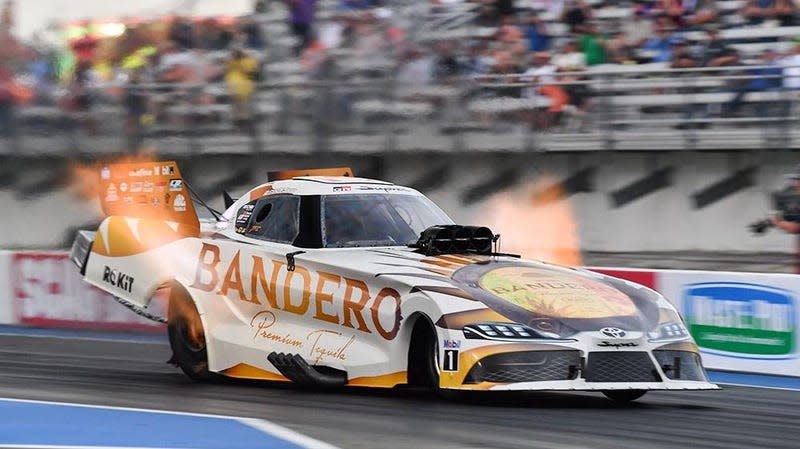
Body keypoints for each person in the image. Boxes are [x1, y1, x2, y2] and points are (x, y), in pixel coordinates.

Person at [225, 48, 259, 129]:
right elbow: (227, 70)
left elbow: (253, 72)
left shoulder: (248, 61)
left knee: (245, 107)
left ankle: (245, 122)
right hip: (235, 86)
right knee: (237, 107)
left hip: (245, 87)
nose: (237, 55)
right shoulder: (231, 62)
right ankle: (238, 123)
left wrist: (242, 65)